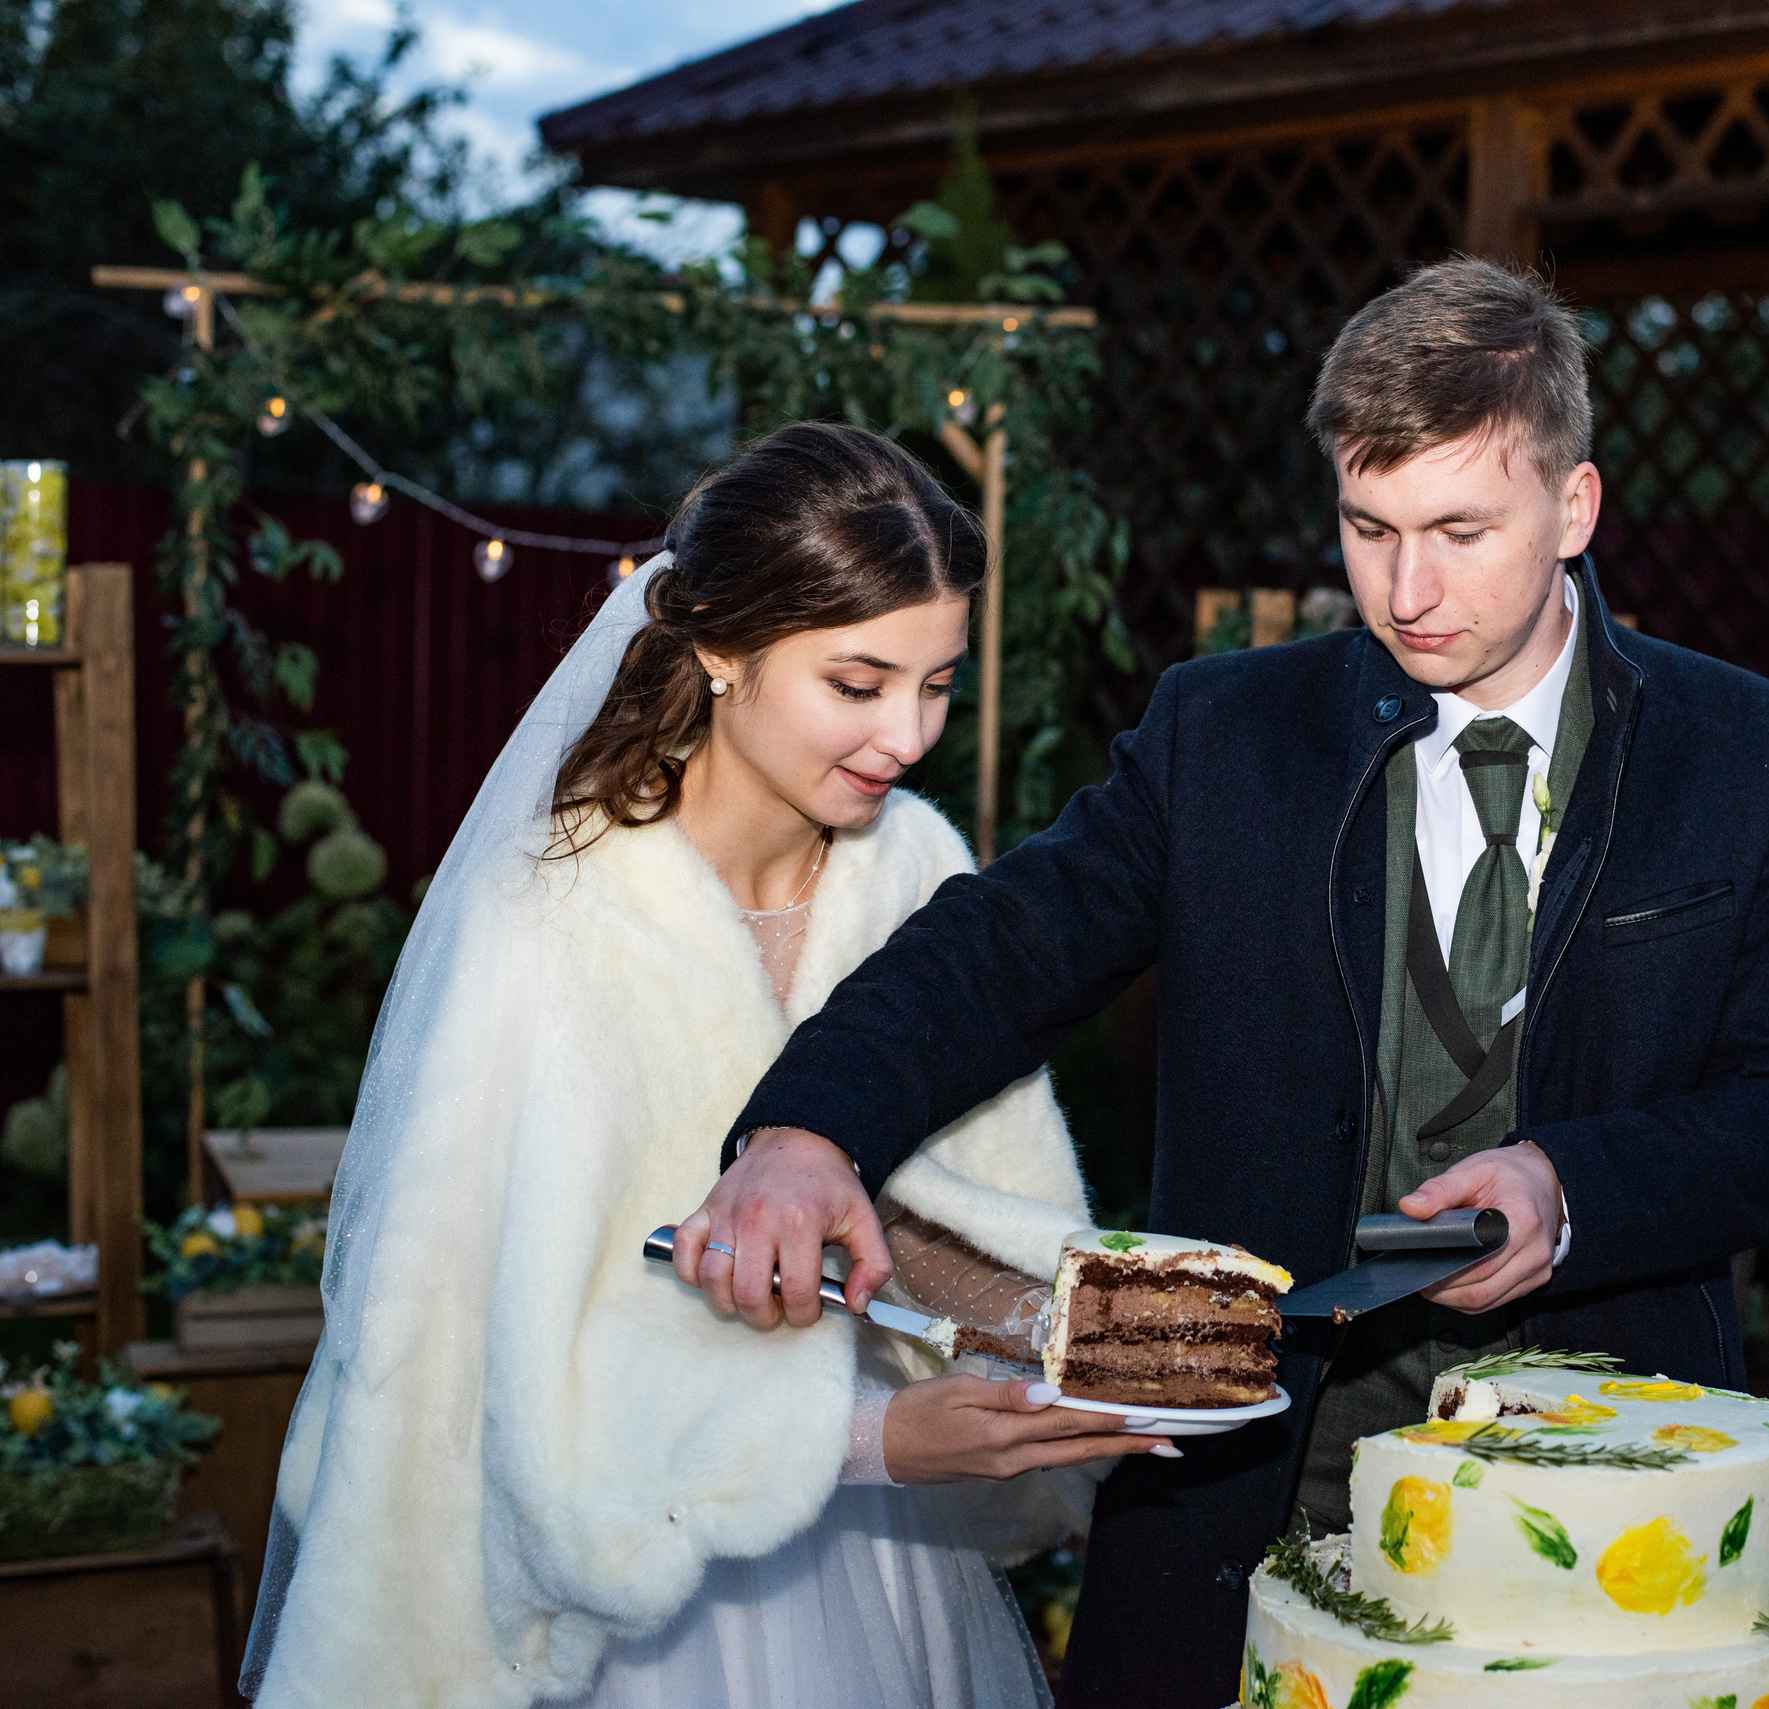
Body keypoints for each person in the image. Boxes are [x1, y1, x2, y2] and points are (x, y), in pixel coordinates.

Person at [670, 257, 1769, 1708]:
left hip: (1604, 1487)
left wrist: (1575, 1184)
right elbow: (998, 949)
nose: (1406, 589)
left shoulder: (1752, 753)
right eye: (1369, 528)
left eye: (1458, 531)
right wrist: (809, 1129)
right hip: (1247, 1463)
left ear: (1576, 507)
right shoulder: (1221, 733)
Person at [242, 425, 1168, 1709]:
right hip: (648, 1595)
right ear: (721, 645)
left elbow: (969, 1214)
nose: (906, 734)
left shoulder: (916, 871)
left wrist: (1079, 1345)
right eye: (857, 682)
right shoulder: (549, 920)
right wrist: (873, 1439)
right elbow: (492, 1364)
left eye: (937, 683)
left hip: (891, 1577)